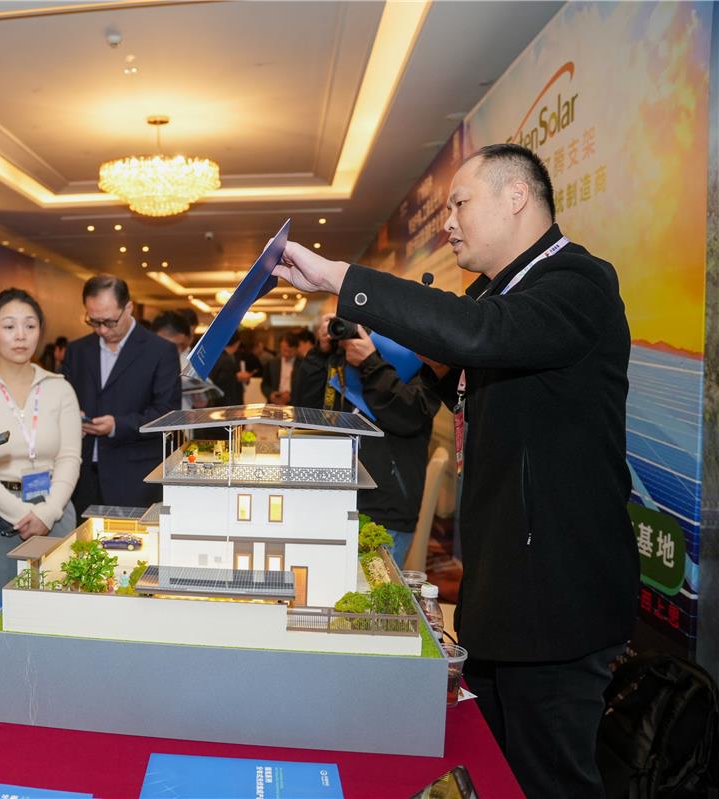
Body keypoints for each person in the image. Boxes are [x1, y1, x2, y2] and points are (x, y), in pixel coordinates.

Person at [271, 143, 637, 797]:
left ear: (516, 197)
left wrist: (342, 278)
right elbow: (465, 377)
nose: (449, 223)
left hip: (557, 597)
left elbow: (477, 333)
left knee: (548, 778)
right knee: (493, 769)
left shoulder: (577, 282)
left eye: (460, 203)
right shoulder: (499, 294)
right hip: (499, 586)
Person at [0, 288, 82, 582]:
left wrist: (47, 513)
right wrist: (21, 512)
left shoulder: (60, 388)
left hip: (54, 510)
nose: (21, 335)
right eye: (9, 326)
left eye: (30, 326)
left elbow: (70, 457)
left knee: (55, 602)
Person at [293, 313, 439, 564]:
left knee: (372, 588)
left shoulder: (422, 359)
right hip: (336, 500)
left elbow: (408, 416)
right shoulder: (341, 360)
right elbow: (305, 413)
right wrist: (320, 354)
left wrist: (371, 363)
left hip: (384, 510)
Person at [62, 275, 181, 515]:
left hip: (134, 478)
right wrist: (71, 414)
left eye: (109, 321)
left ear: (128, 308)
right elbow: (63, 398)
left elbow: (167, 413)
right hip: (82, 475)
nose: (102, 330)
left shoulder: (160, 351)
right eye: (94, 322)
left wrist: (117, 425)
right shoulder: (77, 350)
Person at [210, 333, 252, 406]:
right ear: (237, 343)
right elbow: (217, 381)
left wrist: (244, 378)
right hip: (224, 402)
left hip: (234, 400)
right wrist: (236, 377)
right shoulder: (222, 358)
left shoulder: (236, 356)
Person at [261, 332, 300, 405]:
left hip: (293, 404)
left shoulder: (302, 364)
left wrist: (291, 396)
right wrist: (270, 394)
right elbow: (264, 384)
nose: (286, 354)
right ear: (280, 347)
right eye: (284, 350)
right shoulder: (272, 363)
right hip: (274, 403)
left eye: (290, 351)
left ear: (296, 349)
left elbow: (305, 388)